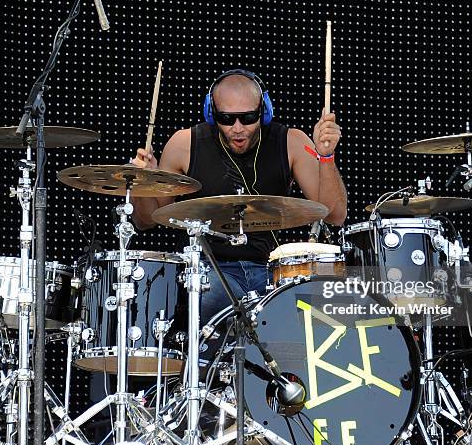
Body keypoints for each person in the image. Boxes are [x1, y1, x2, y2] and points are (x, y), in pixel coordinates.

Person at [131, 69, 347, 326]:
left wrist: (326, 156)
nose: (237, 128)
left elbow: (335, 215)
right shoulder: (184, 144)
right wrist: (144, 184)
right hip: (211, 272)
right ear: (211, 113)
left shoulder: (291, 142)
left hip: (273, 271)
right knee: (206, 303)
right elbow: (147, 221)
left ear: (263, 111)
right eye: (226, 118)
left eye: (248, 117)